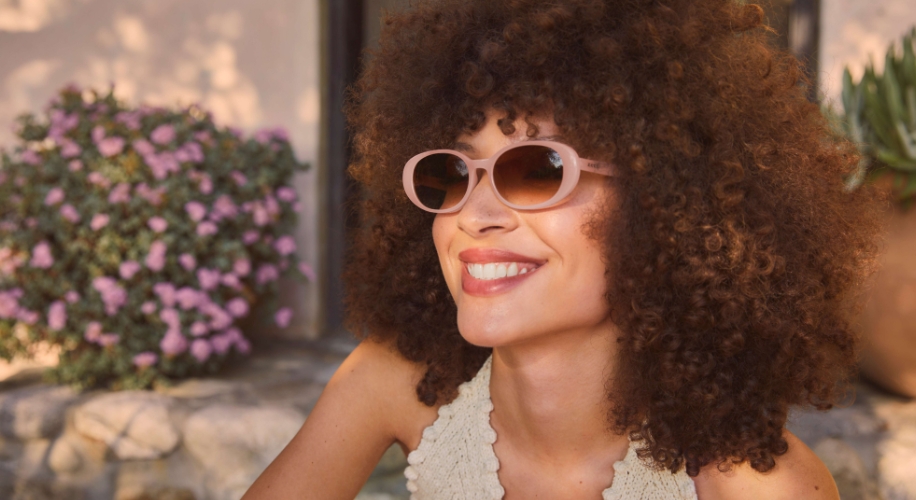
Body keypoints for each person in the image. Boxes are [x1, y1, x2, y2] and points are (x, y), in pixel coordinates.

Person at [243, 0, 887, 498]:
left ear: (666, 206)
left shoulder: (755, 484)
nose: (475, 214)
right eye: (453, 175)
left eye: (537, 170)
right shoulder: (393, 381)